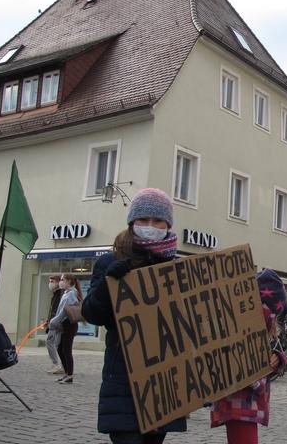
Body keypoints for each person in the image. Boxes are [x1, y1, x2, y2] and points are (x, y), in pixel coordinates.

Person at [82, 188, 187, 443]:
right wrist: (110, 284)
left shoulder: (175, 268)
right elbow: (91, 314)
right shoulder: (110, 262)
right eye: (143, 220)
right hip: (123, 378)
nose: (150, 226)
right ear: (132, 223)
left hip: (163, 381)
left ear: (167, 224)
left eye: (157, 221)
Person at [210, 269, 287, 444]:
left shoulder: (258, 322)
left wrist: (277, 357)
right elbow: (244, 371)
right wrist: (260, 376)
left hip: (243, 406)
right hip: (239, 404)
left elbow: (268, 352)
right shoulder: (244, 324)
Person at [50, 274, 82, 384]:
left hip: (69, 324)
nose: (61, 282)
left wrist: (54, 321)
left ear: (69, 281)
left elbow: (66, 310)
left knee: (66, 350)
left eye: (63, 280)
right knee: (60, 349)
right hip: (64, 324)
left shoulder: (72, 293)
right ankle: (66, 373)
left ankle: (70, 375)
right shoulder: (66, 293)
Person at [44, 276, 64, 374]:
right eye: (49, 281)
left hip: (57, 323)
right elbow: (52, 310)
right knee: (55, 343)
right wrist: (48, 321)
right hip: (54, 322)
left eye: (52, 281)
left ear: (58, 282)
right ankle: (60, 365)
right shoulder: (56, 294)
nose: (50, 283)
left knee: (51, 342)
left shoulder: (60, 294)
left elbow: (58, 310)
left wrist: (53, 321)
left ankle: (57, 365)